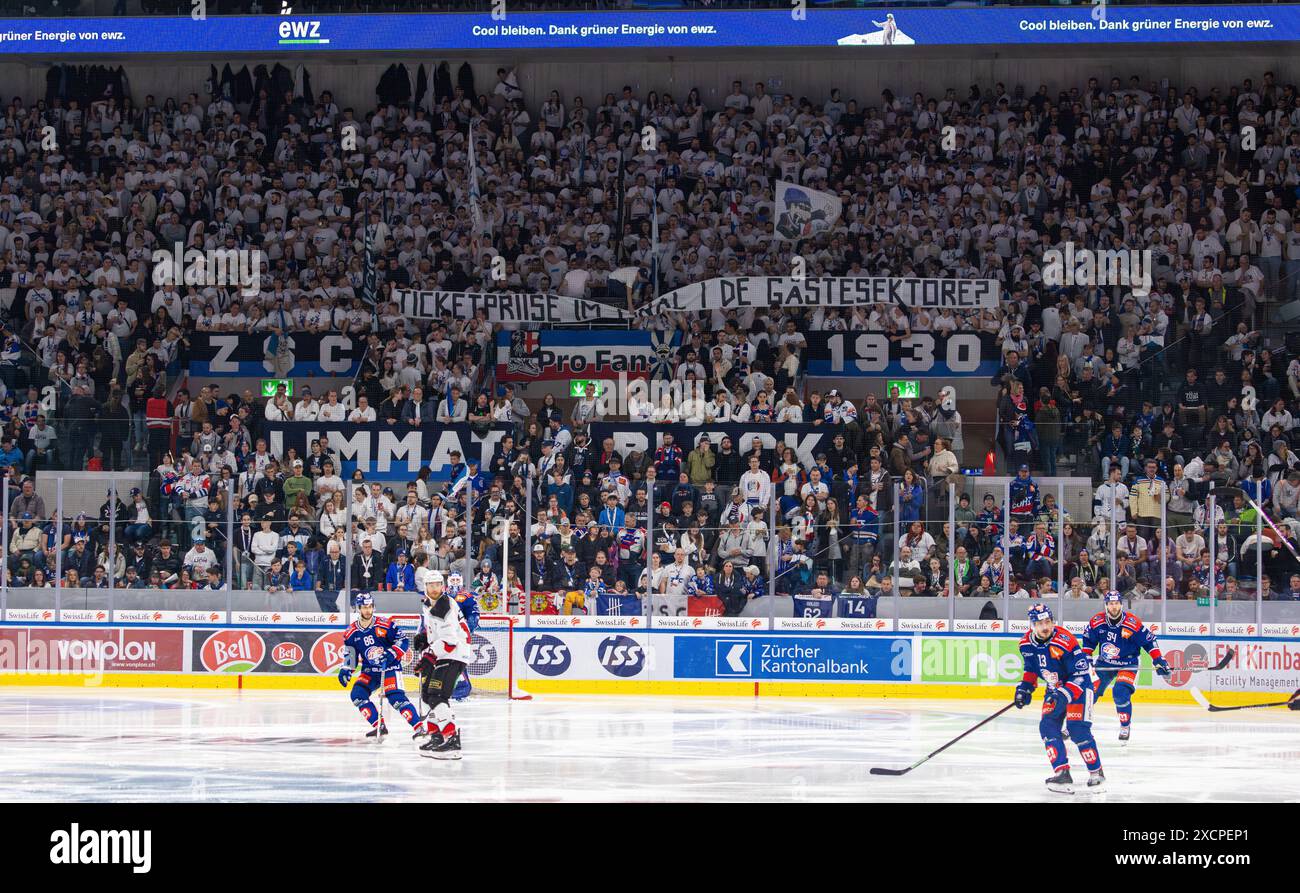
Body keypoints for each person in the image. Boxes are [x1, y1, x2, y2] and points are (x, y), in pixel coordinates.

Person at [1014, 603, 1105, 793]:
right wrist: (1024, 688)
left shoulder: (1065, 640)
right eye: (1039, 623)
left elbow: (1080, 674)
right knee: (1047, 726)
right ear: (1032, 625)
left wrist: (1065, 694)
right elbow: (1031, 670)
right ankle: (1062, 773)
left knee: (1077, 729)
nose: (1045, 627)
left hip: (1079, 688)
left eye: (1048, 621)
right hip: (1054, 689)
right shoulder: (1025, 645)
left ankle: (1096, 772)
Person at [1080, 591, 1171, 743]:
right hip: (1105, 662)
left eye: (1116, 603)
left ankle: (1125, 726)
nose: (1114, 607)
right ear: (1106, 605)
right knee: (1089, 692)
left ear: (1121, 605)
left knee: (1120, 692)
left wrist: (1158, 660)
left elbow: (1149, 642)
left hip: (1128, 663)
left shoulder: (1132, 622)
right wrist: (1087, 661)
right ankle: (1076, 725)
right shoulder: (1097, 621)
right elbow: (1088, 642)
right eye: (1111, 603)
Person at [337, 593, 422, 740]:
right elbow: (351, 654)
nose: (368, 610)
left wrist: (391, 653)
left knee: (396, 698)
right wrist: (346, 669)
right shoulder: (351, 632)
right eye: (364, 607)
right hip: (369, 671)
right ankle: (379, 726)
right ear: (358, 608)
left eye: (370, 606)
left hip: (389, 668)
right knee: (357, 695)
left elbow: (403, 641)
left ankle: (419, 728)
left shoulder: (385, 624)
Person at [413, 572, 472, 759]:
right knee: (427, 695)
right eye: (431, 585)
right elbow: (437, 632)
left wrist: (429, 655)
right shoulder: (429, 605)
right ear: (425, 587)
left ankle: (452, 739)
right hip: (443, 654)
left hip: (453, 654)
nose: (434, 588)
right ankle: (437, 736)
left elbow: (450, 639)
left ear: (443, 585)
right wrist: (424, 638)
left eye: (438, 585)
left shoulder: (445, 605)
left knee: (437, 696)